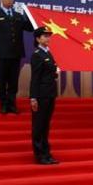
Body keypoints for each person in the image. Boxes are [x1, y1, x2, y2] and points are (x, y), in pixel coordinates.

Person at [0, 0, 34, 114]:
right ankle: (3, 104)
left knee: (14, 81)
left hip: (16, 53)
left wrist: (32, 15)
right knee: (3, 80)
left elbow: (30, 28)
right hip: (2, 54)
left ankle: (12, 104)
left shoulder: (18, 15)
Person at [30, 26, 59, 165]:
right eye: (45, 36)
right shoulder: (37, 54)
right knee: (38, 125)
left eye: (49, 35)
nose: (48, 38)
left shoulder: (48, 53)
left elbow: (49, 73)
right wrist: (33, 97)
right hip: (41, 95)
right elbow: (35, 78)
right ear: (38, 39)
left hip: (50, 94)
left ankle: (47, 153)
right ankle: (39, 155)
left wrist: (56, 72)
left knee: (46, 125)